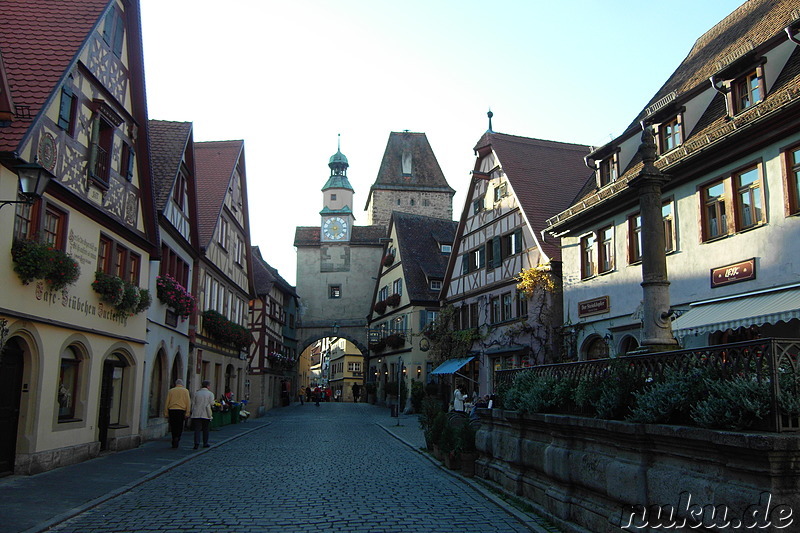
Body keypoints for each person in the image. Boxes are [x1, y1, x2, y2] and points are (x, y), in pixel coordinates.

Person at [163, 379, 191, 448]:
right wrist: (187, 413)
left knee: (173, 426)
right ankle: (177, 437)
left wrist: (166, 413)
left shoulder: (171, 391)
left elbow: (167, 402)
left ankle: (173, 438)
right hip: (181, 410)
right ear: (182, 384)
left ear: (176, 384)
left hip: (172, 410)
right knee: (180, 425)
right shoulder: (185, 391)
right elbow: (188, 402)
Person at [191, 380, 215, 449]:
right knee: (205, 429)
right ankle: (205, 443)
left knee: (197, 429)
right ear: (208, 386)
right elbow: (212, 403)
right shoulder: (210, 394)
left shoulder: (197, 393)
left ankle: (196, 443)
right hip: (206, 414)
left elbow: (193, 403)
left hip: (197, 413)